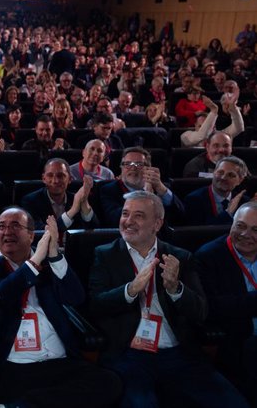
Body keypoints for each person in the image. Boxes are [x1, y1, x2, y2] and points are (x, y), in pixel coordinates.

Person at [88, 191, 250, 408]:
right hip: (129, 354)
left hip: (178, 353)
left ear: (157, 224)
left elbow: (201, 311)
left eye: (138, 216)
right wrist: (131, 289)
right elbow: (96, 305)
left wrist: (176, 289)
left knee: (234, 403)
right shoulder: (105, 254)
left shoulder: (180, 257)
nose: (128, 221)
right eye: (125, 214)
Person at [0, 209, 121, 407]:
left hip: (57, 361)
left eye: (15, 226)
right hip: (14, 365)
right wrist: (35, 259)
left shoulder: (50, 264)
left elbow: (75, 297)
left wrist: (53, 255)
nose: (7, 231)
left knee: (109, 382)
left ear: (31, 235)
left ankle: (27, 404)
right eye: (1, 227)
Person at [195, 202, 257, 405]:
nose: (246, 234)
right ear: (231, 223)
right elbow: (212, 307)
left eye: (255, 229)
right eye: (240, 226)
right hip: (240, 337)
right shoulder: (208, 256)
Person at [99, 147, 184, 227]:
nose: (133, 168)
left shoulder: (160, 188)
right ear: (121, 168)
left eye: (139, 164)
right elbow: (114, 220)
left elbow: (180, 216)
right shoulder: (109, 190)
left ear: (148, 168)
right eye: (128, 164)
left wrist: (162, 189)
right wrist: (146, 196)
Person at [20, 158, 98, 233]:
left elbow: (94, 228)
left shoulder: (77, 198)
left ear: (70, 179)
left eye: (60, 176)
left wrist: (84, 202)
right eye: (50, 175)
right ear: (43, 179)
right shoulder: (30, 201)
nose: (55, 181)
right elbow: (42, 231)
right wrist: (72, 211)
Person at [183, 156, 251, 226]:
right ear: (214, 173)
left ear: (240, 180)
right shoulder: (194, 200)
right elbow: (199, 233)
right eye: (220, 172)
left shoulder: (244, 203)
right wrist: (227, 213)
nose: (223, 177)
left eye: (230, 175)